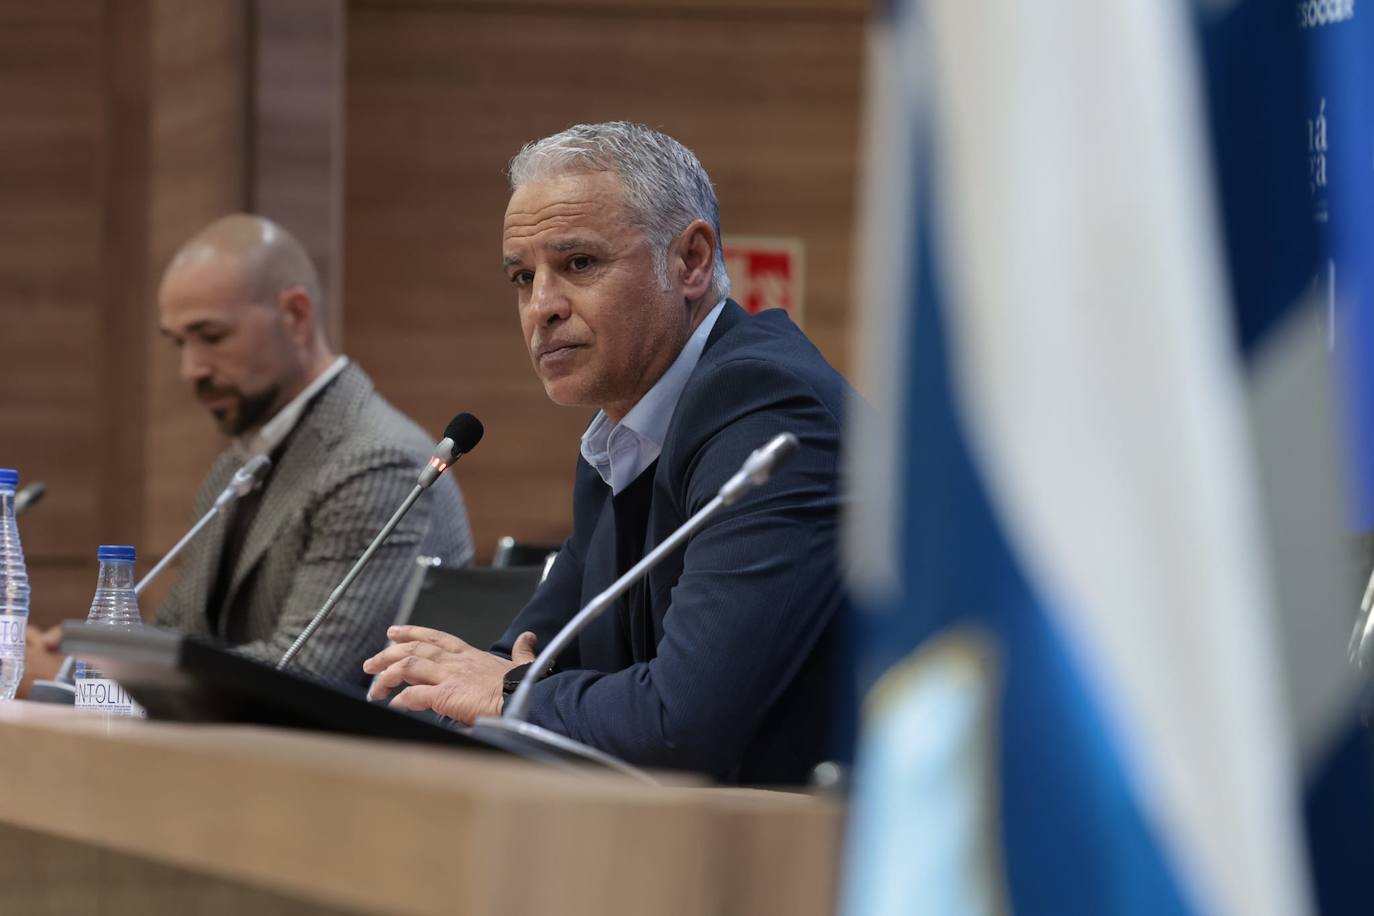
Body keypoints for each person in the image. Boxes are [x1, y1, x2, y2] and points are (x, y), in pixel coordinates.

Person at [363, 122, 849, 784]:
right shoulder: (623, 431)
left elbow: (681, 723)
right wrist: (496, 687)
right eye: (521, 276)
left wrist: (514, 692)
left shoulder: (765, 410)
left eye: (579, 265)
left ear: (691, 262)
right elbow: (519, 656)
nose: (541, 308)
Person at [25, 214, 474, 689]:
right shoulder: (239, 465)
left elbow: (305, 672)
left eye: (211, 337)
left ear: (296, 315)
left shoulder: (378, 460)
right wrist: (84, 654)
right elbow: (179, 634)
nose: (190, 369)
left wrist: (88, 681)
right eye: (179, 343)